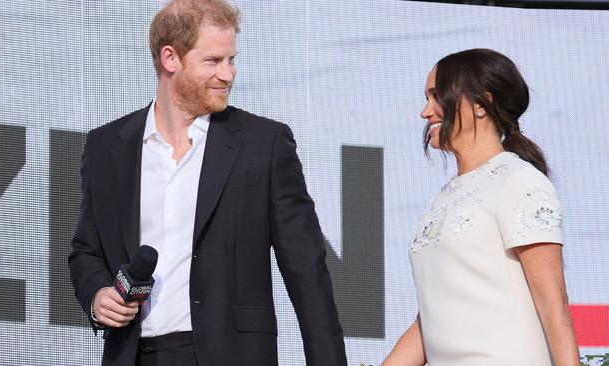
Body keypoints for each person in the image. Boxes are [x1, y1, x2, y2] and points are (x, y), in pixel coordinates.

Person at [68, 1, 347, 365]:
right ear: (171, 59)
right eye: (213, 61)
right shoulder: (107, 148)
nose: (228, 74)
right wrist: (97, 295)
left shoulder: (264, 144)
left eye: (231, 60)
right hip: (134, 355)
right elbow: (85, 252)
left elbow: (306, 269)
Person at [381, 49, 579, 365]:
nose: (425, 112)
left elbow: (553, 304)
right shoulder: (444, 195)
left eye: (437, 96)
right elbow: (433, 317)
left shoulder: (518, 181)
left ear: (480, 104)